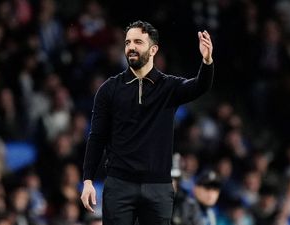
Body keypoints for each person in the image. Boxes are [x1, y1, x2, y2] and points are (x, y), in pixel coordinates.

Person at [80, 20, 214, 225]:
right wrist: (88, 180)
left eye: (138, 42)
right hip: (119, 185)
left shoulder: (169, 87)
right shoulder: (109, 89)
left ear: (153, 50)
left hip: (158, 187)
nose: (131, 47)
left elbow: (199, 86)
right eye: (127, 42)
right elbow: (97, 136)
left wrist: (207, 61)